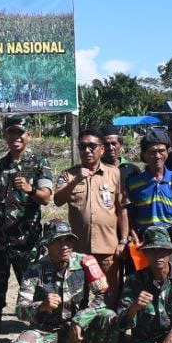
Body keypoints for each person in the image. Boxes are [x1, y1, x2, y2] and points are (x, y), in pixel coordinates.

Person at [10, 221, 116, 343]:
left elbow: (104, 296)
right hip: (48, 330)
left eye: (68, 240)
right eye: (58, 241)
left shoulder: (86, 262)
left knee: (109, 316)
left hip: (79, 329)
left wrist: (80, 320)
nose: (65, 246)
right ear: (47, 244)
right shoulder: (35, 270)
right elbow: (20, 310)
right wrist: (41, 306)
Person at [0, 116, 54, 343]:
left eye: (20, 133)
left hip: (28, 243)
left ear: (28, 135)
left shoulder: (40, 163)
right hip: (0, 242)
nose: (16, 137)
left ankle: (38, 340)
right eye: (11, 133)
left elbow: (45, 197)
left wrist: (30, 189)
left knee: (34, 291)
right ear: (5, 136)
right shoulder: (0, 165)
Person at [53, 125, 128, 301]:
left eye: (92, 146)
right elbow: (57, 200)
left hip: (108, 248)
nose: (87, 150)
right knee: (80, 295)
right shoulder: (68, 174)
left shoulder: (114, 173)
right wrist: (77, 179)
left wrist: (123, 240)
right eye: (82, 146)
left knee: (109, 295)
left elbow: (122, 209)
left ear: (102, 149)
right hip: (79, 250)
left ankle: (110, 328)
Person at [123, 128, 172, 240]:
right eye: (152, 151)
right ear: (144, 155)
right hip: (144, 239)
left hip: (171, 239)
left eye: (162, 151)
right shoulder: (133, 183)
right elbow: (129, 215)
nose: (158, 156)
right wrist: (133, 235)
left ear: (167, 152)